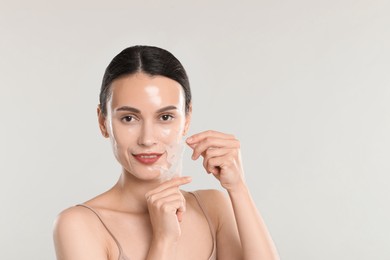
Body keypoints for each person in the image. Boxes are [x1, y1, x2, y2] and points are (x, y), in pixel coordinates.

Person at [53, 45, 279, 260]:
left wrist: (238, 188)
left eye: (165, 117)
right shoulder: (78, 225)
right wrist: (164, 240)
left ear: (187, 119)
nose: (147, 139)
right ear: (103, 122)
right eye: (129, 118)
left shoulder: (213, 208)